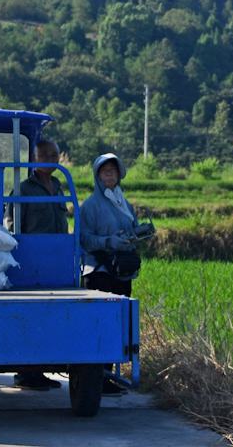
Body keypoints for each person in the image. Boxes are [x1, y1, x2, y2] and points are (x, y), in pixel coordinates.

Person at [78, 152, 154, 395]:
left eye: (113, 170)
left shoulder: (123, 202)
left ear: (120, 174)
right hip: (99, 272)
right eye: (104, 170)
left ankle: (108, 374)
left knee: (117, 325)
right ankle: (96, 377)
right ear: (97, 175)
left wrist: (139, 234)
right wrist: (108, 241)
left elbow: (131, 229)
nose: (109, 174)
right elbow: (84, 239)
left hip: (121, 272)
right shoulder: (90, 206)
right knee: (99, 324)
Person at [12, 140, 68, 391]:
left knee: (49, 316)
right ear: (34, 158)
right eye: (45, 154)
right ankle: (26, 373)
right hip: (31, 259)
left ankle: (38, 371)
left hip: (57, 258)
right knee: (29, 315)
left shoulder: (57, 185)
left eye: (54, 154)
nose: (51, 158)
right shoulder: (22, 189)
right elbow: (12, 225)